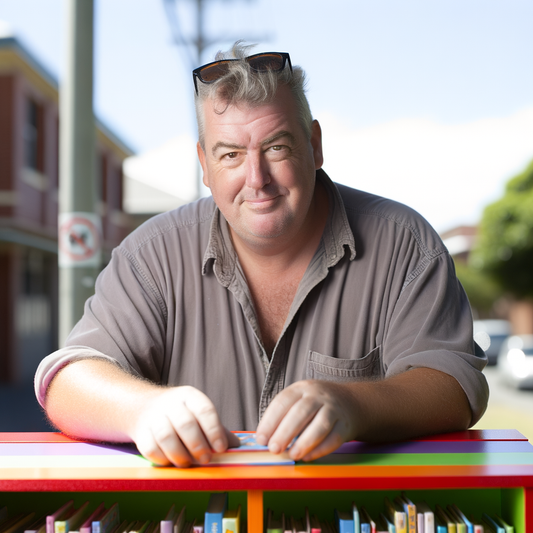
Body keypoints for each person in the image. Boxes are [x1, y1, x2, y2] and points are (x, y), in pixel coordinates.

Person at [35, 43, 489, 468]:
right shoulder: (150, 254)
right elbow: (68, 380)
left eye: (276, 147)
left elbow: (453, 385)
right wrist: (143, 408)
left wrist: (352, 404)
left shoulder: (404, 243)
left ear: (314, 146)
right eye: (230, 155)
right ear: (205, 165)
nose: (257, 179)